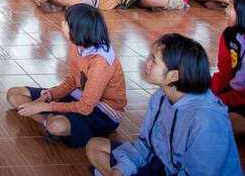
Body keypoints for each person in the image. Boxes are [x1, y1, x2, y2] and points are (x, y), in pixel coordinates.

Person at [86, 34, 241, 176]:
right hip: (165, 163)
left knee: (101, 165)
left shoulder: (206, 119)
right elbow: (145, 146)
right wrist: (120, 170)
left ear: (174, 75)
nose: (147, 63)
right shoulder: (160, 97)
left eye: (154, 60)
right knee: (95, 145)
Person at [7, 4, 126, 148]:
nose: (62, 23)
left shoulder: (100, 62)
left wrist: (45, 106)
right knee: (14, 94)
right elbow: (72, 81)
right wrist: (47, 96)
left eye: (67, 22)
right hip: (79, 96)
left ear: (78, 29)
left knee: (56, 125)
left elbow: (85, 107)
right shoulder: (78, 44)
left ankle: (51, 122)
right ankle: (49, 121)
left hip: (102, 112)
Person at [211, 0, 245, 115]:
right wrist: (209, 94)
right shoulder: (229, 35)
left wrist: (219, 101)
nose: (226, 10)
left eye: (231, 6)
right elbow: (224, 73)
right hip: (234, 92)